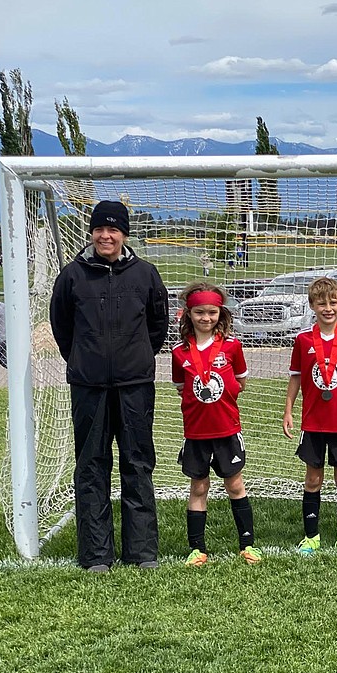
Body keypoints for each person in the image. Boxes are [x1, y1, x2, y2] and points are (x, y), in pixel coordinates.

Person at [49, 200, 169, 572]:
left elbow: (157, 327)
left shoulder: (146, 274)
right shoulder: (71, 276)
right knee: (91, 465)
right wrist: (87, 359)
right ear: (91, 233)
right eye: (100, 229)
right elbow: (62, 329)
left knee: (137, 462)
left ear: (124, 234)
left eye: (113, 229)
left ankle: (142, 551)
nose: (106, 235)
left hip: (135, 385)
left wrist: (134, 359)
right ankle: (96, 554)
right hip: (88, 386)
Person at [170, 283, 261, 566]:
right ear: (188, 314)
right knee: (198, 488)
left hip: (227, 430)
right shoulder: (179, 352)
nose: (206, 318)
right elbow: (179, 386)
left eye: (211, 312)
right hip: (196, 432)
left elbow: (241, 382)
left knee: (235, 485)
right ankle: (197, 549)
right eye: (199, 312)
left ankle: (248, 545)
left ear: (220, 314)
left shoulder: (233, 346)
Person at [282, 277, 337, 556]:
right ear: (312, 306)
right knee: (313, 479)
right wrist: (288, 409)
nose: (328, 308)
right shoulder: (303, 339)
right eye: (321, 303)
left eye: (333, 302)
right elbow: (296, 377)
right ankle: (311, 537)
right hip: (313, 422)